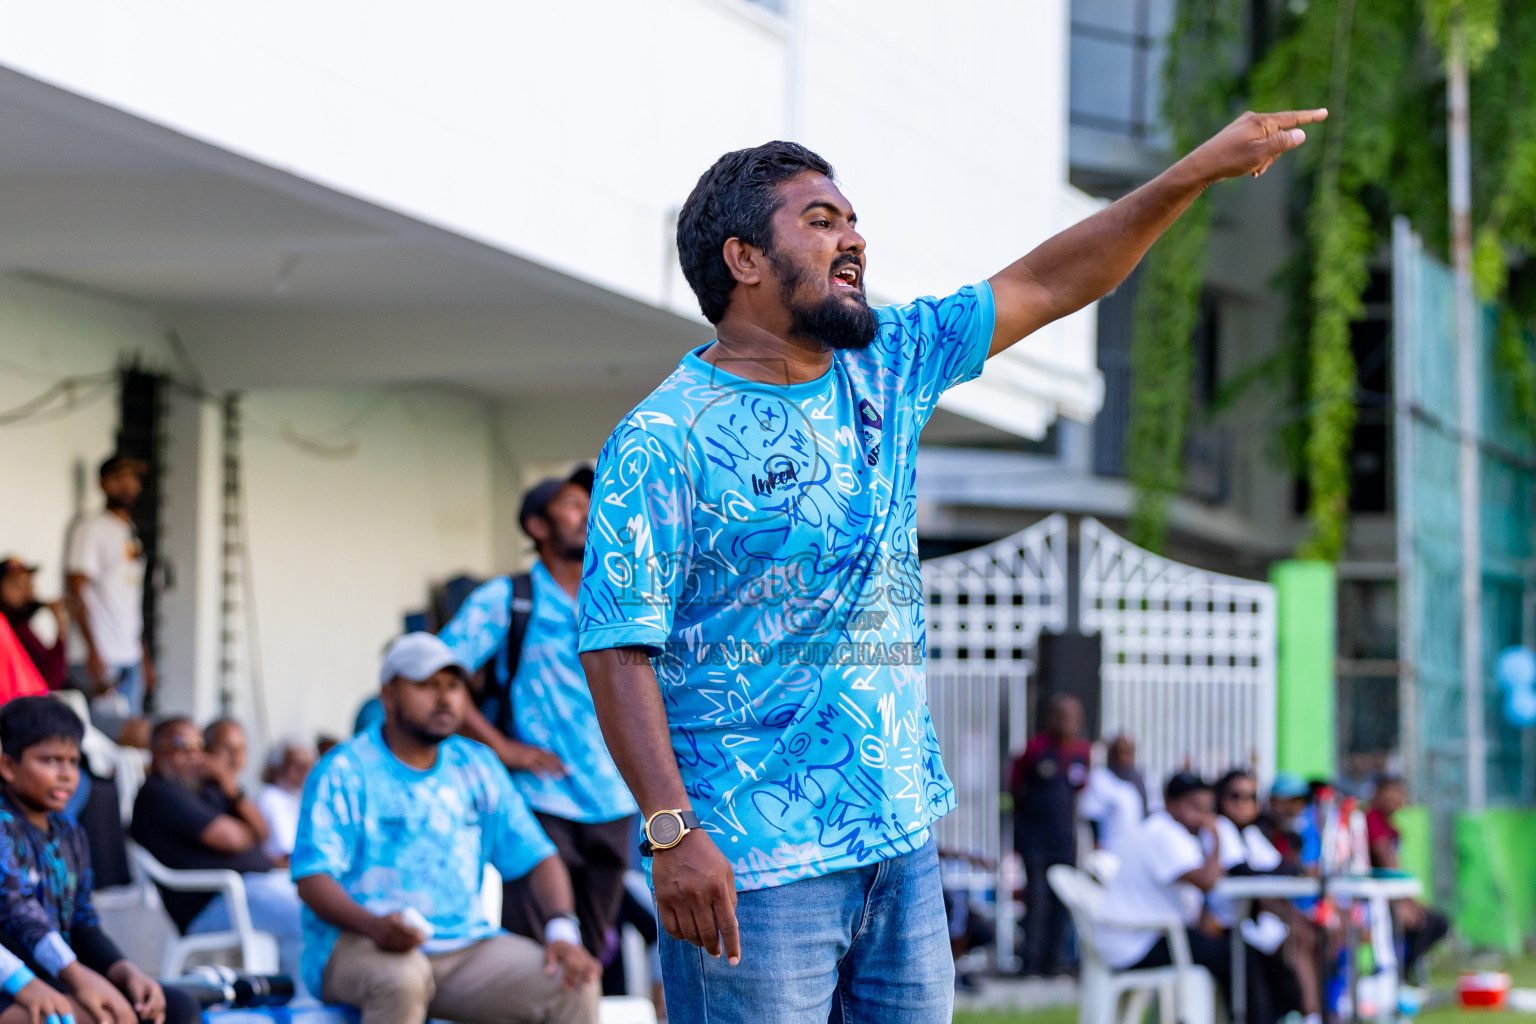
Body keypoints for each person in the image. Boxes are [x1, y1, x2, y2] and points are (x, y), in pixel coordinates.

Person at [577, 109, 1325, 1022]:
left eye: (851, 220)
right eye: (820, 221)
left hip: (901, 843)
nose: (853, 239)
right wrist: (670, 831)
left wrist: (1190, 176)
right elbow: (619, 649)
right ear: (743, 260)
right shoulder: (662, 439)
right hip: (753, 865)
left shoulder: (888, 363)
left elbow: (1050, 281)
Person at [292, 633, 599, 1024]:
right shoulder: (344, 769)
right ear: (388, 695)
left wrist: (562, 932)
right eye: (426, 685)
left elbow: (538, 856)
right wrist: (374, 928)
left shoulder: (478, 765)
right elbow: (311, 877)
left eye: (453, 686)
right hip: (357, 943)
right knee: (401, 978)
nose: (444, 698)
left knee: (572, 983)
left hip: (464, 948)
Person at [440, 469, 639, 959]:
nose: (588, 513)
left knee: (594, 952)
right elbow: (436, 673)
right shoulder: (508, 597)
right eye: (572, 505)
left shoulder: (620, 594)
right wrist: (503, 747)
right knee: (539, 948)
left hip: (617, 798)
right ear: (537, 526)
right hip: (540, 797)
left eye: (591, 503)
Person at [0, 697, 198, 1024]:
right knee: (90, 1016)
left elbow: (83, 922)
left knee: (173, 1008)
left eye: (73, 761)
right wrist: (78, 979)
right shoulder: (4, 826)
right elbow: (18, 912)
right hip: (14, 982)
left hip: (55, 974)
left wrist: (124, 971)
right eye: (49, 760)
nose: (65, 774)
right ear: (8, 766)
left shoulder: (69, 831)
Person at [128, 718, 304, 991]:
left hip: (250, 889)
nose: (194, 756)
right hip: (213, 902)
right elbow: (230, 839)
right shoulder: (158, 793)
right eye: (182, 747)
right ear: (158, 752)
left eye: (199, 748)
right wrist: (245, 835)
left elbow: (261, 831)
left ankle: (300, 1005)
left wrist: (229, 786)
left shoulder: (205, 789)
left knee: (315, 906)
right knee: (306, 914)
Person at [1096, 772, 1275, 1024]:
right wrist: (1215, 835)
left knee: (1236, 950)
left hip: (1148, 935)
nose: (1201, 817)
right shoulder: (1164, 833)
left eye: (1207, 809)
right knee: (1235, 955)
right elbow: (1208, 881)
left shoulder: (1171, 832)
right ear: (1170, 803)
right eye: (1195, 808)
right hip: (1136, 942)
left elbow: (1191, 893)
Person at [65, 455, 153, 734]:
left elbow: (129, 601)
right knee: (109, 739)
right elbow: (75, 590)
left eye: (133, 478)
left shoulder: (129, 531)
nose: (127, 485)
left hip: (129, 656)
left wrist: (144, 655)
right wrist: (93, 651)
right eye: (119, 477)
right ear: (103, 483)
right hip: (99, 656)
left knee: (128, 749)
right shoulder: (90, 527)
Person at [1010, 695, 1091, 976]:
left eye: (1071, 716)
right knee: (1037, 899)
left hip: (1063, 840)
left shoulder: (1082, 752)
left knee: (1062, 899)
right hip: (1035, 839)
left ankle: (1055, 961)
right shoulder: (1036, 749)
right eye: (1060, 715)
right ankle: (1030, 961)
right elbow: (1014, 788)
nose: (1065, 722)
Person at [1365, 775, 1447, 981]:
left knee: (1432, 922)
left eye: (1399, 794)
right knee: (1424, 924)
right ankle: (1395, 977)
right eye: (1391, 793)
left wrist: (1409, 899)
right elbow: (1385, 860)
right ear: (1377, 793)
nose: (1396, 799)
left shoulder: (1389, 824)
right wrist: (1402, 901)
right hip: (1376, 896)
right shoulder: (1371, 819)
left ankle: (1400, 974)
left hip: (1392, 893)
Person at [1078, 734, 1153, 854]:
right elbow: (1093, 815)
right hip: (1111, 850)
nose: (1122, 757)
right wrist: (1097, 846)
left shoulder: (1143, 779)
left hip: (1138, 850)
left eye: (1126, 752)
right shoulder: (1101, 777)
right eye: (1117, 753)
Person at [0, 560, 67, 691]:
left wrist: (61, 626)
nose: (29, 594)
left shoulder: (21, 628)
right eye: (17, 586)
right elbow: (51, 681)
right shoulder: (9, 630)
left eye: (29, 585)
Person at [254, 739, 316, 866]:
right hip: (275, 876)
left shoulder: (297, 798)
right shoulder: (270, 797)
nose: (305, 773)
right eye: (298, 766)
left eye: (309, 766)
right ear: (276, 769)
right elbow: (288, 855)